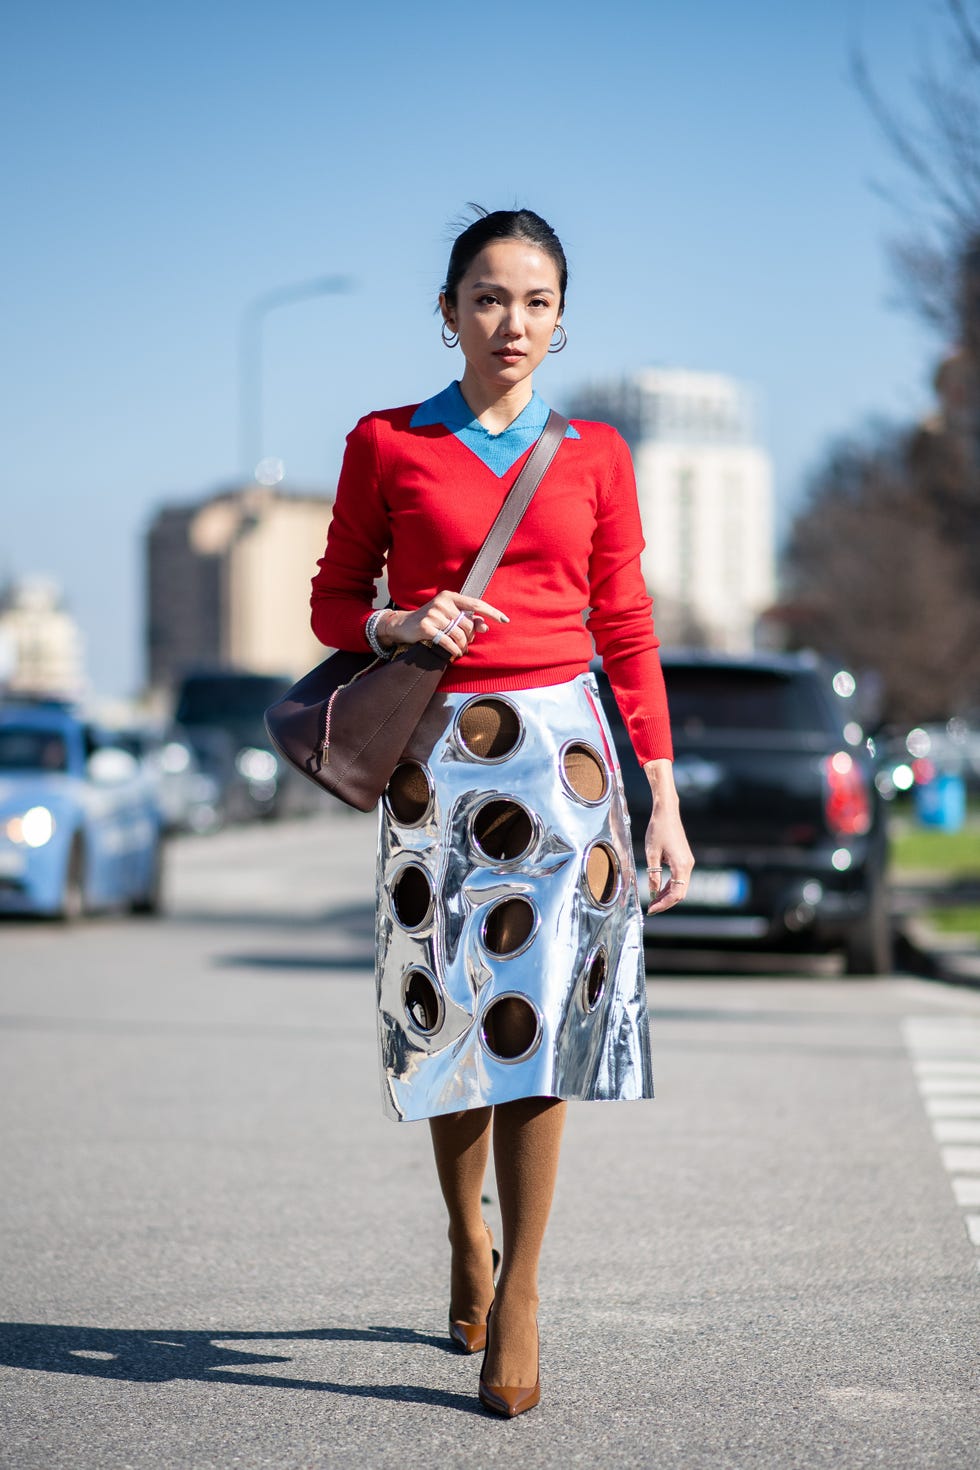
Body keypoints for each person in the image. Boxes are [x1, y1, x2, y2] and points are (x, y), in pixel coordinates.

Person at [310, 206, 694, 1418]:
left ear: (560, 320)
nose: (509, 321)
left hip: (564, 770)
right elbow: (331, 605)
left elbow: (625, 632)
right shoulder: (385, 443)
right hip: (436, 765)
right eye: (486, 297)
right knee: (447, 1023)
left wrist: (662, 798)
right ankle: (463, 1237)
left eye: (532, 301)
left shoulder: (592, 456)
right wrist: (398, 624)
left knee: (536, 1028)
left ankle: (519, 1289)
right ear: (447, 312)